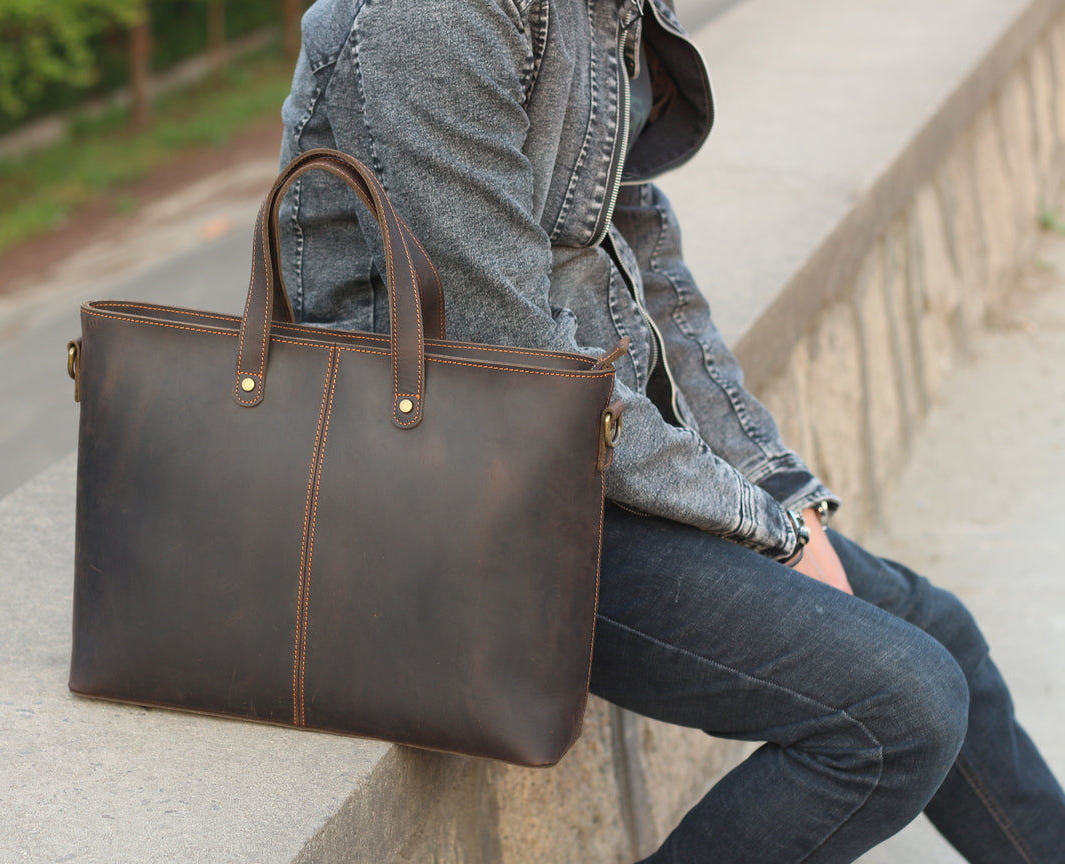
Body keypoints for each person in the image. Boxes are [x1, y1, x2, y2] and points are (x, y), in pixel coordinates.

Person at [275, 0, 1065, 859]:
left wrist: (776, 492)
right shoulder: (428, 19)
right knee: (900, 711)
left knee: (937, 633)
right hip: (451, 494)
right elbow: (509, 360)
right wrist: (761, 530)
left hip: (574, 457)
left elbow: (644, 274)